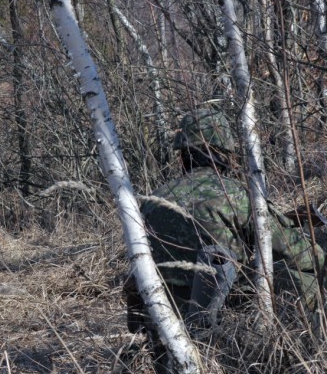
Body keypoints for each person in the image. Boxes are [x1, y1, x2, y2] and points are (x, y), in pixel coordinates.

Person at [125, 107, 324, 342]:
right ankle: (306, 357)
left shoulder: (151, 200)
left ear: (182, 156)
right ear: (225, 153)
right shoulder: (235, 194)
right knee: (305, 280)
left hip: (161, 319)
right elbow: (295, 253)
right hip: (222, 320)